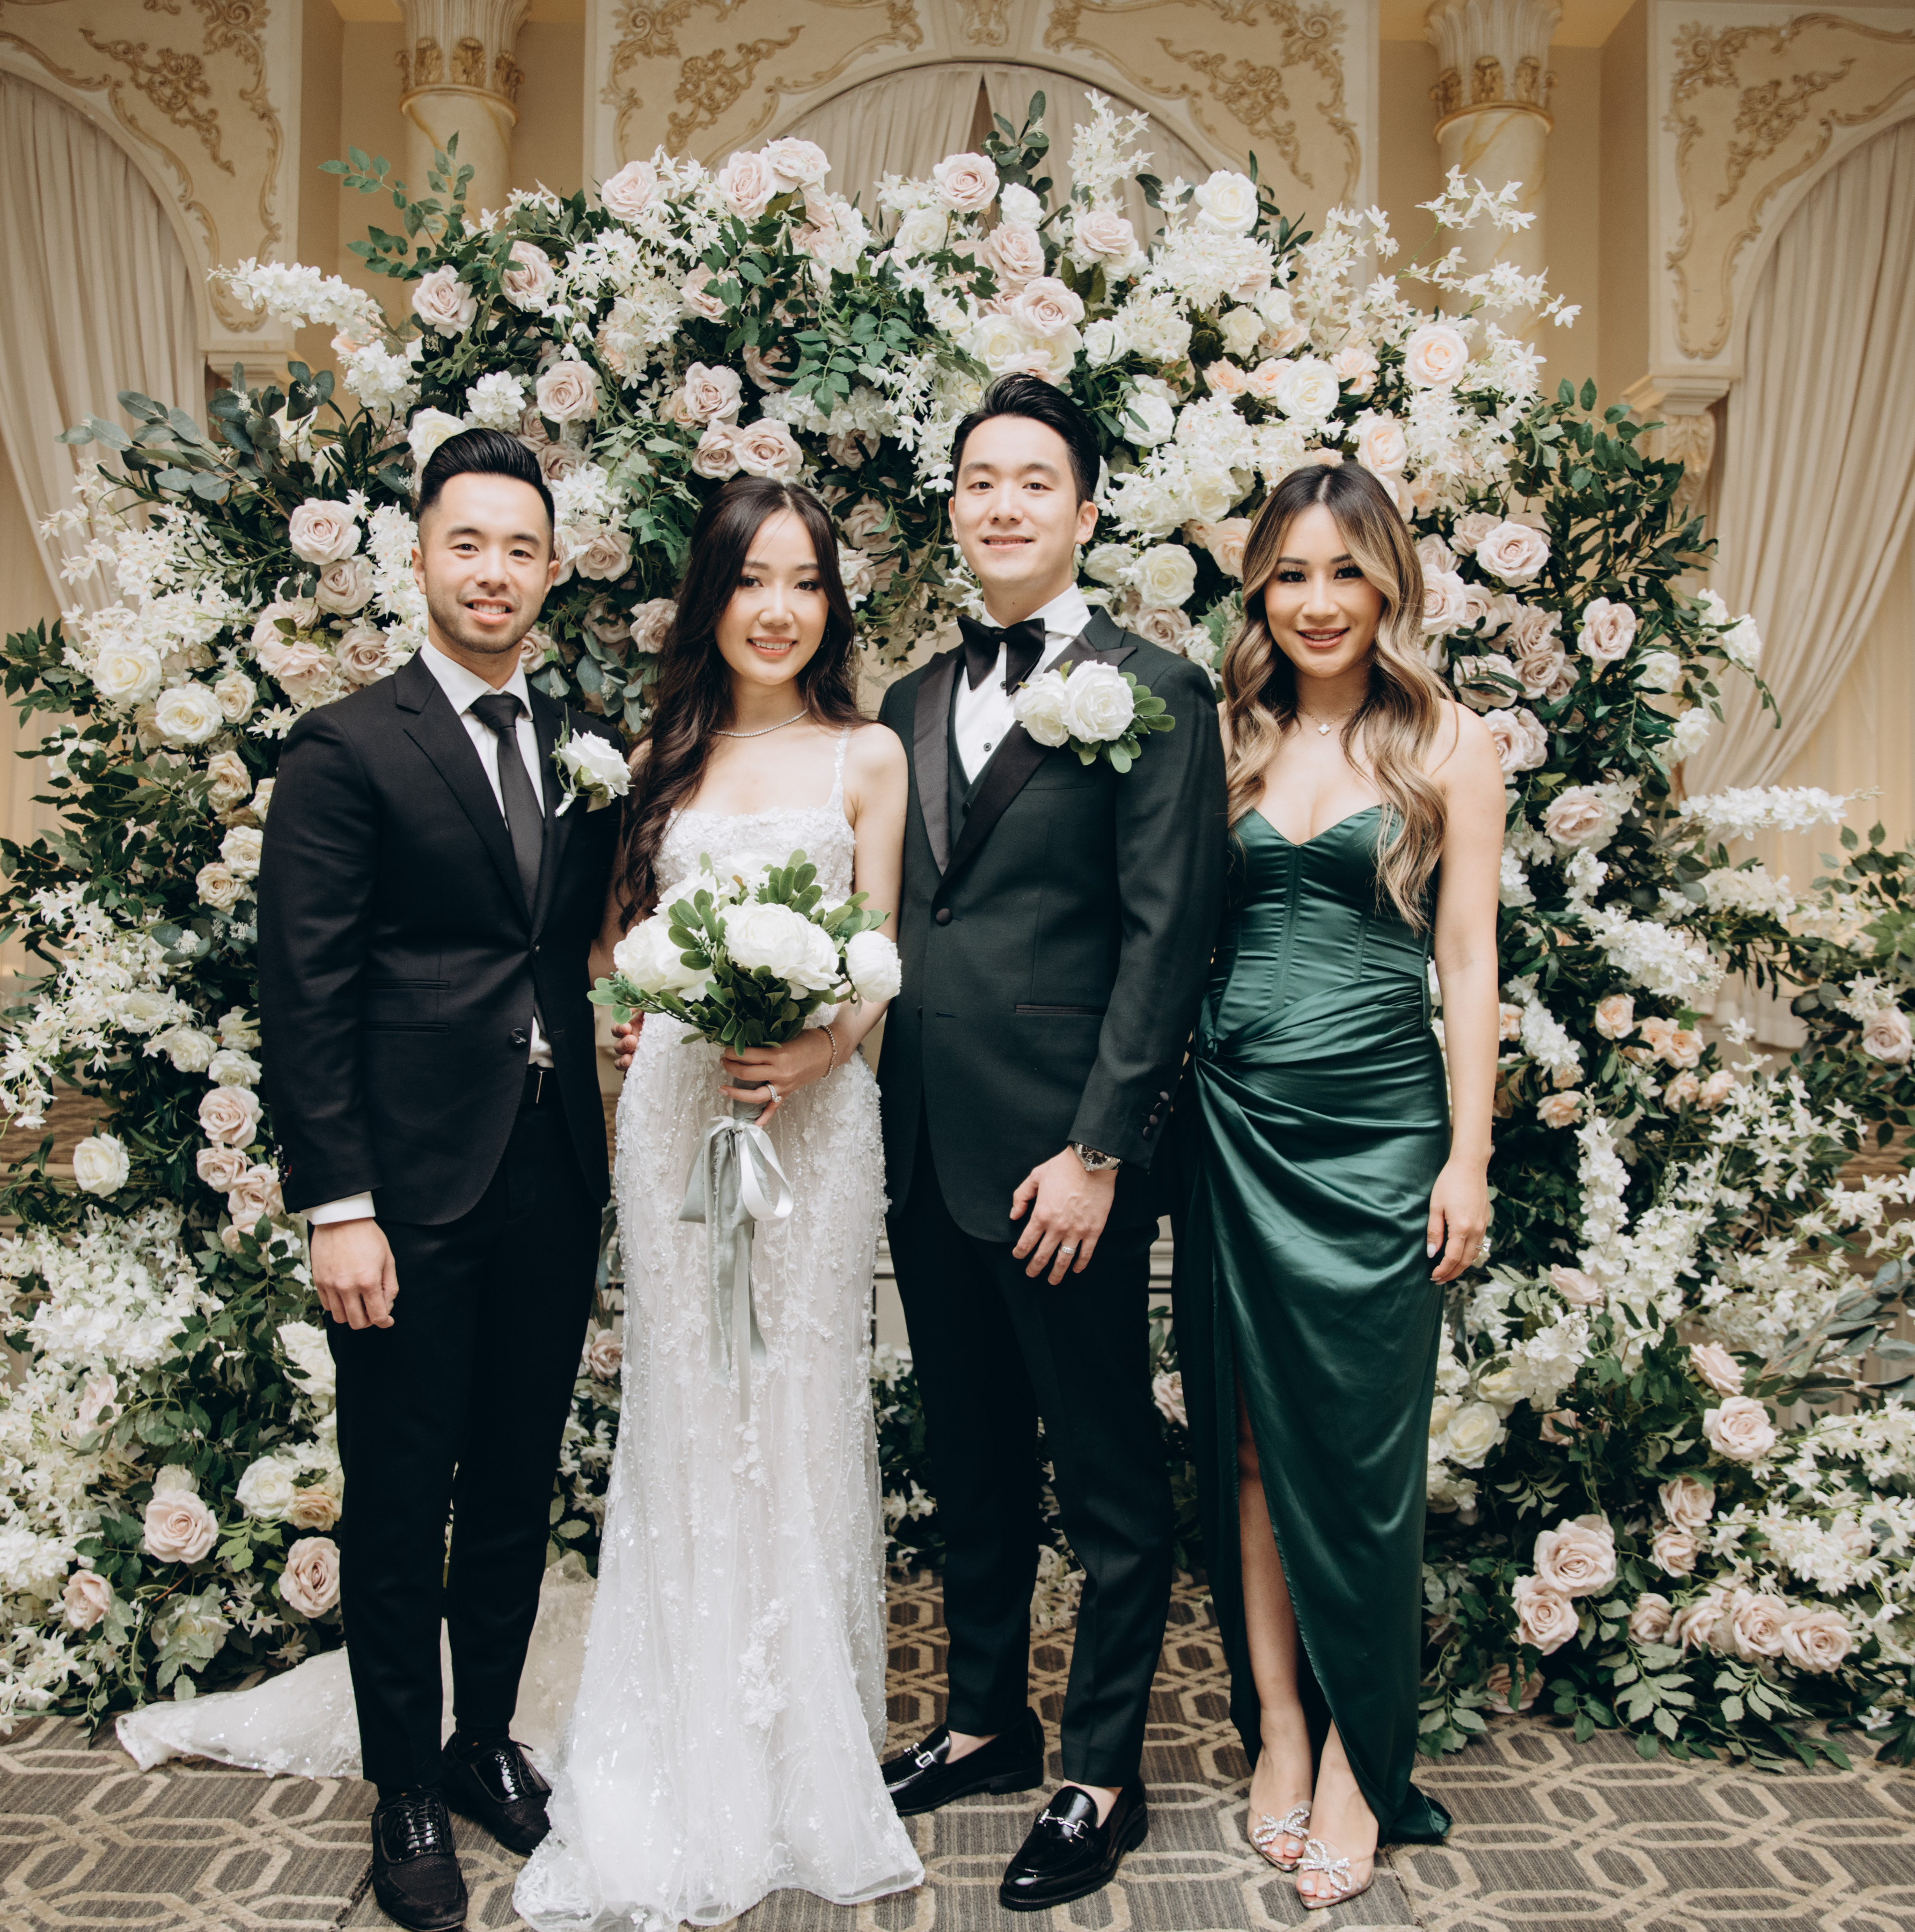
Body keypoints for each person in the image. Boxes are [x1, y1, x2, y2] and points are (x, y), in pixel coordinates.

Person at [518, 476, 922, 1931]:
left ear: (831, 604)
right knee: (691, 1400)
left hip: (816, 1121)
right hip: (680, 1117)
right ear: (712, 598)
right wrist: (638, 1023)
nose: (778, 608)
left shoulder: (869, 754)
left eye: (805, 581)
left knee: (797, 1401)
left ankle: (800, 1738)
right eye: (752, 580)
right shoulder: (656, 761)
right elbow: (610, 951)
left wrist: (813, 1051)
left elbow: (880, 953)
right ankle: (681, 1724)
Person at [869, 372, 1227, 1912]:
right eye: (978, 481)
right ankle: (982, 1722)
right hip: (925, 1144)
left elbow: (1169, 937)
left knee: (1104, 1473)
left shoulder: (1156, 687)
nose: (1001, 504)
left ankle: (1099, 1772)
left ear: (1085, 511)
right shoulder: (904, 702)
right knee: (968, 1459)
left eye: (1033, 481)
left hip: (1063, 1166)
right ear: (952, 507)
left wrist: (1098, 1152)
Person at [256, 427, 622, 1932]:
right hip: (403, 1195)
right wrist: (336, 1205)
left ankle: (483, 1743)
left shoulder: (582, 744)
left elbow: (573, 948)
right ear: (417, 558)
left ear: (553, 570)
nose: (493, 572)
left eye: (520, 549)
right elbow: (305, 991)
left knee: (519, 1483)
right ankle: (403, 1781)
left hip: (550, 1172)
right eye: (466, 544)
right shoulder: (348, 747)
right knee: (403, 1494)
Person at [1171, 463, 1501, 1908]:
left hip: (1380, 1130)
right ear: (1261, 590)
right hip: (1236, 1119)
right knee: (1247, 1449)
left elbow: (1468, 959)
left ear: (1388, 586)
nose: (1318, 602)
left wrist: (1467, 1157)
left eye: (1346, 572)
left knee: (1368, 1463)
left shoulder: (1450, 743)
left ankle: (1364, 1759)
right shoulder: (1223, 738)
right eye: (1292, 574)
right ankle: (1283, 1733)